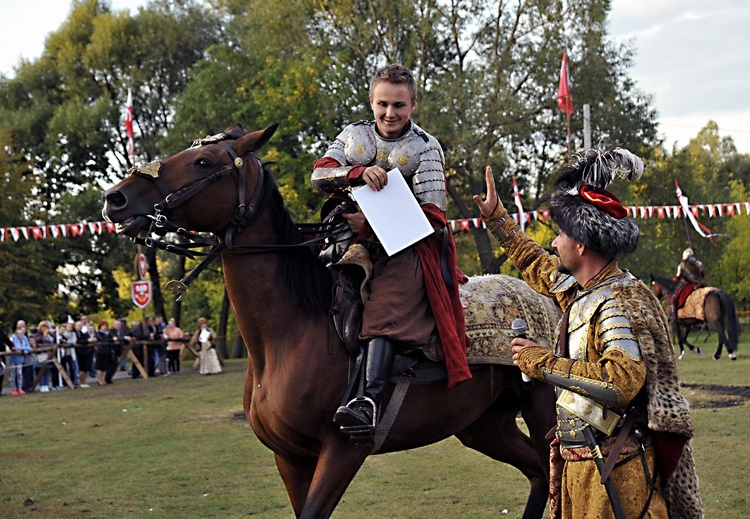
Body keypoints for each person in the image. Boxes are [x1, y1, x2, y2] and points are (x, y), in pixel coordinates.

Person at [473, 148, 703, 518]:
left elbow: (620, 382)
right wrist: (498, 219)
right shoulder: (582, 288)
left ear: (580, 244)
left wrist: (542, 363)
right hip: (581, 463)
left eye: (561, 234)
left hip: (617, 470)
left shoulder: (617, 300)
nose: (554, 242)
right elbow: (537, 264)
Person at [310, 63, 471, 437]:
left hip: (407, 249)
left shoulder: (425, 148)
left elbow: (433, 216)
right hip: (345, 238)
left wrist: (369, 224)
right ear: (371, 101)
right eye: (382, 104)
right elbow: (320, 173)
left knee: (385, 308)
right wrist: (354, 174)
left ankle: (368, 401)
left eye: (398, 105)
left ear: (413, 104)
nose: (389, 113)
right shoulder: (354, 135)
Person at [669, 248, 706, 319]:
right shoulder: (699, 263)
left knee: (674, 297)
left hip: (689, 286)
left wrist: (674, 280)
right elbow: (703, 275)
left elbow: (677, 278)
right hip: (700, 285)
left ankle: (673, 317)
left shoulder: (681, 265)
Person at [9, 321, 32, 395]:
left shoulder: (25, 337)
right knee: (13, 374)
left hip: (20, 359)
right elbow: (16, 347)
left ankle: (20, 388)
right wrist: (24, 349)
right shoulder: (14, 337)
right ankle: (14, 389)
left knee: (20, 374)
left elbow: (29, 347)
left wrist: (23, 350)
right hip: (13, 358)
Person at [33, 321, 55, 392]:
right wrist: (44, 336)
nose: (45, 328)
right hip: (41, 354)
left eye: (46, 327)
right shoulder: (38, 335)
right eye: (43, 327)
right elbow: (39, 341)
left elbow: (54, 339)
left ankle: (46, 384)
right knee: (42, 369)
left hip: (49, 354)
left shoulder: (50, 334)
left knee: (47, 370)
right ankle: (42, 385)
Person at [59, 321, 80, 388]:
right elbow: (60, 340)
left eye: (71, 327)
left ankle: (73, 382)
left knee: (72, 368)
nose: (70, 328)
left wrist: (67, 341)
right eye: (68, 326)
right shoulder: (63, 333)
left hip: (71, 353)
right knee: (64, 368)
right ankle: (64, 383)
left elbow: (73, 341)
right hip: (64, 353)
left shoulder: (73, 334)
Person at [74, 321, 95, 388]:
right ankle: (81, 382)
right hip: (78, 352)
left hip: (85, 352)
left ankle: (84, 381)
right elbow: (78, 341)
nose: (80, 327)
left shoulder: (83, 333)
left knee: (86, 368)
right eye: (78, 325)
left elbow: (86, 338)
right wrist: (87, 341)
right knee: (81, 368)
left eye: (81, 326)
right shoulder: (74, 333)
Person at [0, 324, 13, 395]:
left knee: (1, 374)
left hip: (2, 357)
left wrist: (12, 346)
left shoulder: (1, 332)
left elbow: (7, 340)